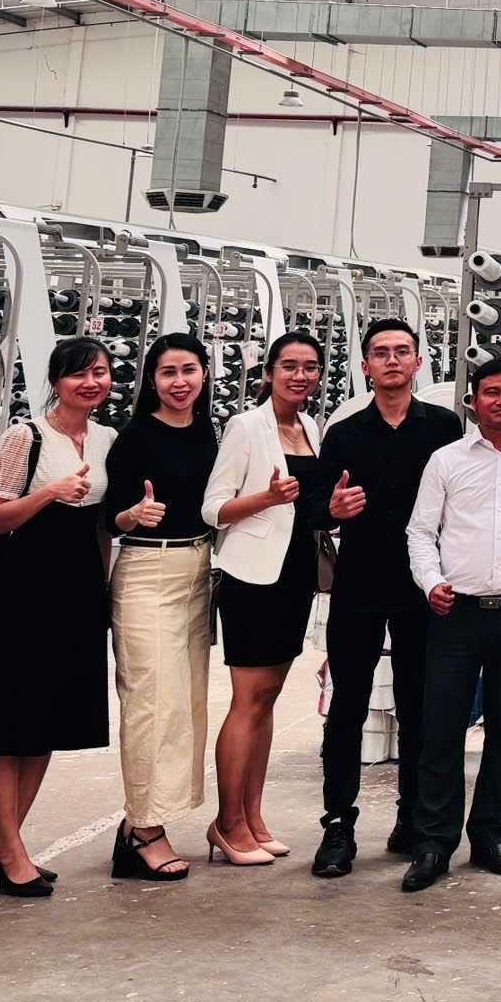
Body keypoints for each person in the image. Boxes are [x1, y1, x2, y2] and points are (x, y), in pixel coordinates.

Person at [0, 337, 117, 898]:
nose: (90, 383)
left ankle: (3, 844)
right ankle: (12, 849)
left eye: (100, 372)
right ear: (56, 380)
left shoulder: (107, 439)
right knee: (8, 721)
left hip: (80, 589)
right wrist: (50, 492)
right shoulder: (26, 435)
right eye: (78, 374)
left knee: (47, 720)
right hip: (24, 588)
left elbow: (102, 525)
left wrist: (105, 586)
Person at [313, 318, 463, 877]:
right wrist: (331, 510)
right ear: (366, 366)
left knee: (420, 706)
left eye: (402, 351)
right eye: (381, 353)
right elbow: (314, 506)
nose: (392, 360)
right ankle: (338, 826)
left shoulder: (444, 428)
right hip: (359, 585)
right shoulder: (344, 433)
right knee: (347, 707)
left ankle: (413, 818)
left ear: (419, 362)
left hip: (423, 587)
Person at [401, 358, 501, 892]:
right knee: (441, 728)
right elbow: (420, 532)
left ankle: (491, 833)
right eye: (491, 392)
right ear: (473, 401)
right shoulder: (446, 460)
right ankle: (433, 842)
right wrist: (430, 582)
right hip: (455, 612)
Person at [203, 331, 330, 865]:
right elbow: (213, 508)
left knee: (269, 697)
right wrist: (267, 497)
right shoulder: (246, 426)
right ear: (269, 372)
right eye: (289, 366)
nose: (300, 375)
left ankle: (253, 817)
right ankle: (226, 823)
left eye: (310, 367)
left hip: (295, 574)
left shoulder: (310, 427)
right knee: (248, 699)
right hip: (253, 578)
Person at [103, 332, 220, 883]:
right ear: (151, 378)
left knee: (185, 704)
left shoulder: (207, 431)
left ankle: (142, 821)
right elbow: (110, 515)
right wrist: (133, 516)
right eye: (168, 372)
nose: (179, 382)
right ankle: (145, 830)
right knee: (150, 702)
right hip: (147, 572)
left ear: (204, 374)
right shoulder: (133, 437)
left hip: (198, 571)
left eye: (189, 370)